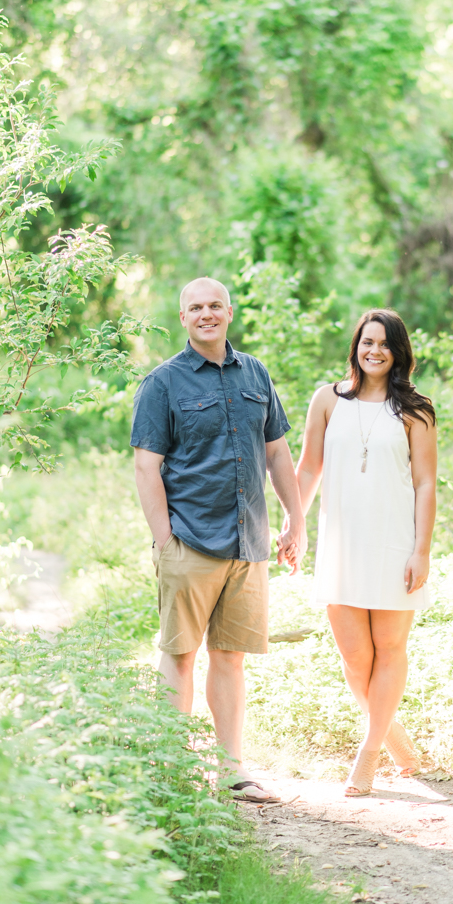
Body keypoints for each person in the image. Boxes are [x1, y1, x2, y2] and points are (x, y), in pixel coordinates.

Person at [131, 276, 306, 803]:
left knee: (230, 658)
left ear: (229, 312)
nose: (206, 314)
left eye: (214, 306)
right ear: (183, 318)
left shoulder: (255, 373)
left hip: (247, 544)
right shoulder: (162, 384)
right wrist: (164, 541)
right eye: (195, 308)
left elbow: (276, 452)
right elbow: (146, 466)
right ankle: (171, 772)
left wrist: (295, 519)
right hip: (189, 540)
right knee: (180, 656)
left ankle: (232, 773)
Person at [296, 308, 437, 797]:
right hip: (341, 543)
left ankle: (370, 752)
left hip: (395, 542)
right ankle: (395, 736)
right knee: (355, 657)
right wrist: (295, 527)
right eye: (366, 341)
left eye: (384, 343)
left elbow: (424, 483)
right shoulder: (327, 400)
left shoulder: (415, 411)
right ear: (355, 345)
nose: (374, 350)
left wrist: (421, 550)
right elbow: (308, 469)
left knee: (391, 649)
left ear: (398, 352)